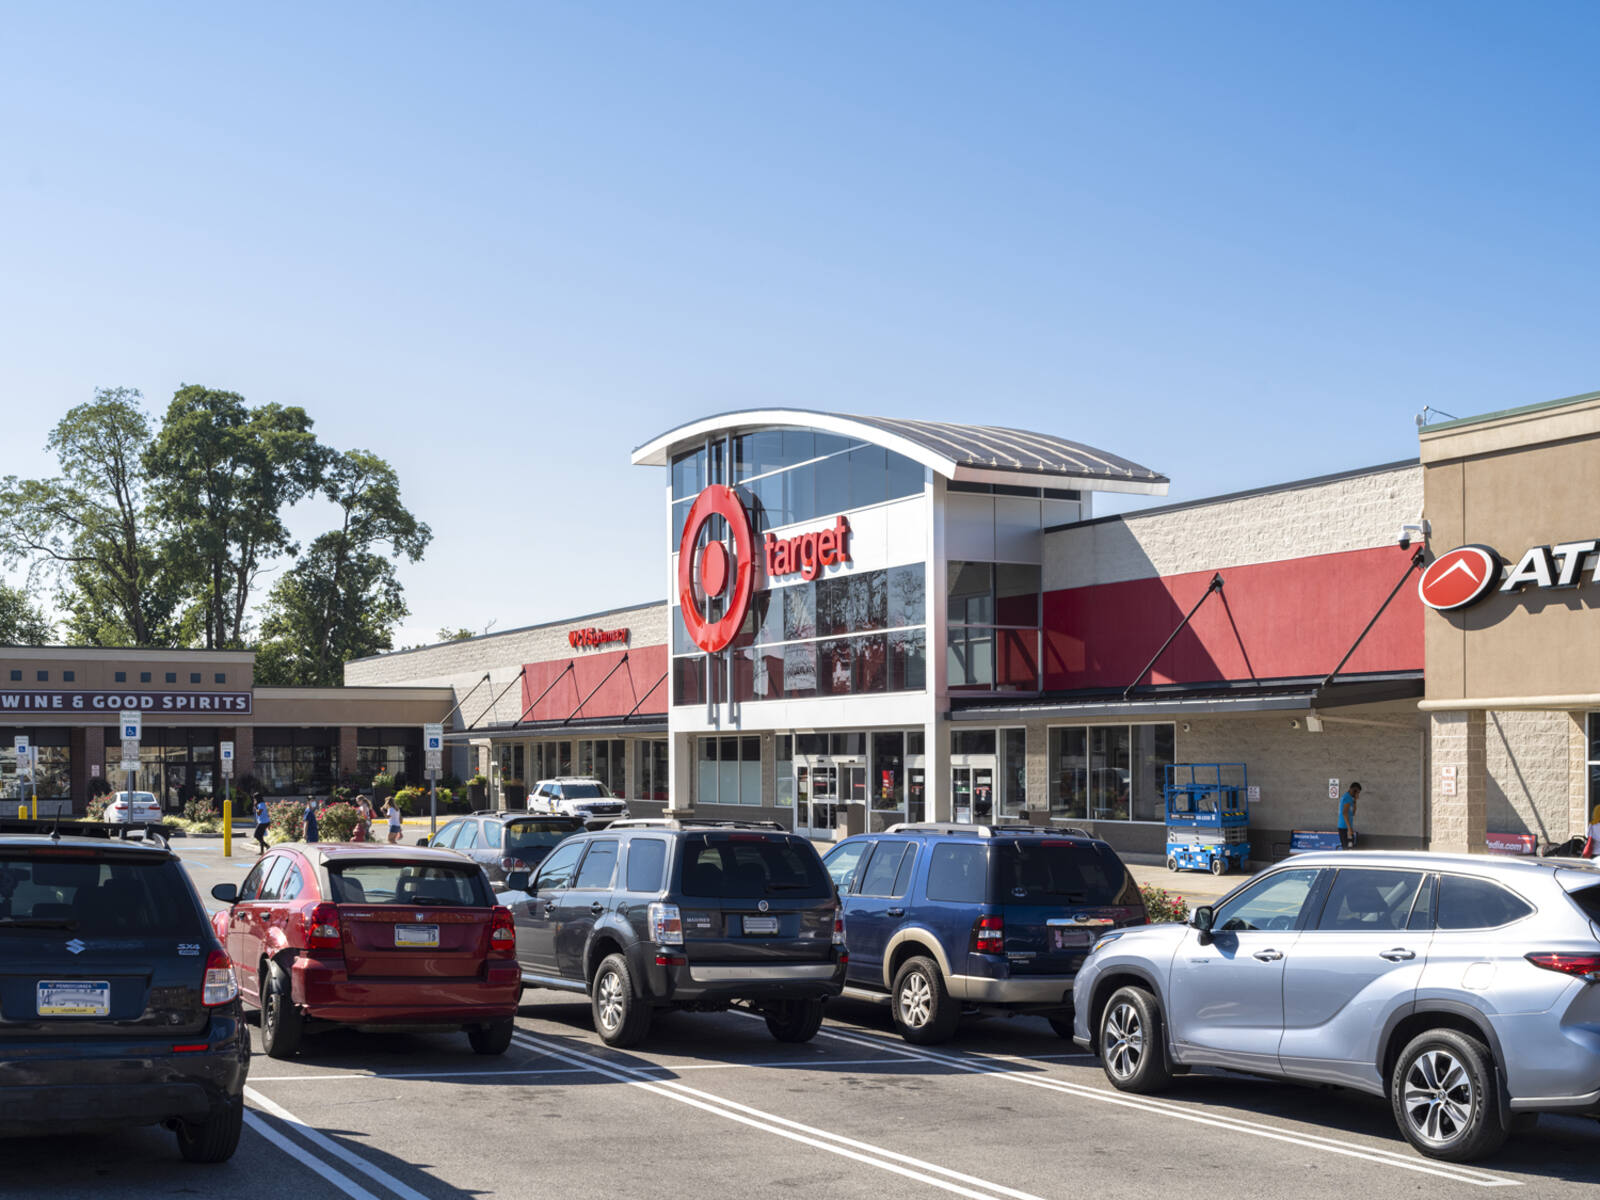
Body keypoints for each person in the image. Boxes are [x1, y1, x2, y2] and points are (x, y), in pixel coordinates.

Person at [1337, 782, 1362, 849]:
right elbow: (1344, 813)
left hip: (1346, 827)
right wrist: (1349, 829)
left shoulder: (1351, 799)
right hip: (1345, 828)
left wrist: (1355, 801)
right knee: (1348, 848)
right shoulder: (1347, 798)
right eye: (1357, 792)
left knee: (1349, 847)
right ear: (1352, 790)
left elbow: (1353, 813)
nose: (1357, 794)